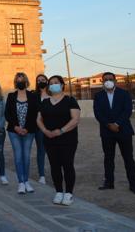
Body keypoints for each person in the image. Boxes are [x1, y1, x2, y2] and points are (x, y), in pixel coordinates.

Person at [37, 75, 81, 205]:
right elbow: (38, 119)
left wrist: (61, 131)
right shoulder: (44, 102)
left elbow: (75, 119)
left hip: (67, 139)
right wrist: (45, 131)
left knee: (67, 165)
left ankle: (68, 193)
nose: (53, 84)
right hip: (49, 139)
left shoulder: (70, 100)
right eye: (51, 83)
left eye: (56, 82)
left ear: (62, 85)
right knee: (54, 166)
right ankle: (58, 191)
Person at [93, 72, 135, 194]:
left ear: (115, 81)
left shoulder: (124, 94)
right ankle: (109, 183)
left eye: (110, 79)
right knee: (108, 158)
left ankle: (133, 184)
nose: (108, 81)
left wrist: (117, 124)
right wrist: (108, 125)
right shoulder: (98, 96)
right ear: (102, 82)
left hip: (124, 131)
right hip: (107, 132)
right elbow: (98, 113)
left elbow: (127, 110)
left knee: (128, 158)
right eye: (105, 79)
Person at [5, 72, 39, 194]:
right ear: (15, 81)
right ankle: (20, 182)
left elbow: (35, 113)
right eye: (18, 79)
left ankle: (26, 181)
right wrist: (16, 127)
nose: (20, 81)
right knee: (18, 156)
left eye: (22, 79)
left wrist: (27, 128)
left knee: (26, 156)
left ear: (26, 81)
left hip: (29, 131)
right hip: (14, 131)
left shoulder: (33, 96)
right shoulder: (11, 96)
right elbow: (7, 114)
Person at [34, 74, 49, 185]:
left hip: (53, 127)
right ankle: (42, 175)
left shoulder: (52, 94)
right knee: (41, 151)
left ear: (47, 81)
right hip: (39, 128)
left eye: (43, 80)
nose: (41, 82)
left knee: (54, 151)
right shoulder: (34, 95)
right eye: (38, 80)